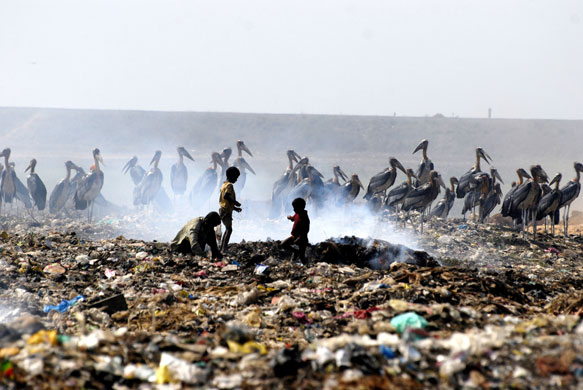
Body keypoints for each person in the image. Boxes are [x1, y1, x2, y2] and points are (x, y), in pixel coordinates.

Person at [219, 166, 242, 253]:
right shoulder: (229, 186)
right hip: (226, 211)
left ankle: (222, 247)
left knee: (227, 229)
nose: (236, 180)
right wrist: (235, 202)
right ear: (231, 176)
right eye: (236, 177)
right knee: (229, 229)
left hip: (224, 209)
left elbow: (225, 201)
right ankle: (224, 248)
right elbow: (226, 196)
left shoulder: (224, 184)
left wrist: (235, 208)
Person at [282, 197, 310, 263]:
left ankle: (306, 266)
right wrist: (290, 217)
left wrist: (299, 238)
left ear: (301, 208)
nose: (294, 209)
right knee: (283, 244)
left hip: (302, 240)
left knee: (302, 256)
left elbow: (306, 230)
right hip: (294, 236)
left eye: (295, 208)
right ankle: (295, 252)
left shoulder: (305, 218)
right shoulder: (297, 214)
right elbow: (293, 218)